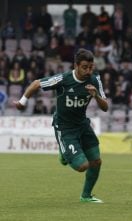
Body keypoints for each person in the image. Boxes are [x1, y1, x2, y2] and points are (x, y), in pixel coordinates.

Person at [14, 48, 108, 203]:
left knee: (96, 161)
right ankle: (64, 153)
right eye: (85, 67)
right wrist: (23, 102)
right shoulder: (63, 79)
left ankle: (86, 196)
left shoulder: (95, 80)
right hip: (65, 128)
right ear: (76, 65)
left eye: (91, 67)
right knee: (82, 166)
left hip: (83, 125)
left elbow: (105, 107)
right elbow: (37, 83)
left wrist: (96, 95)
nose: (88, 71)